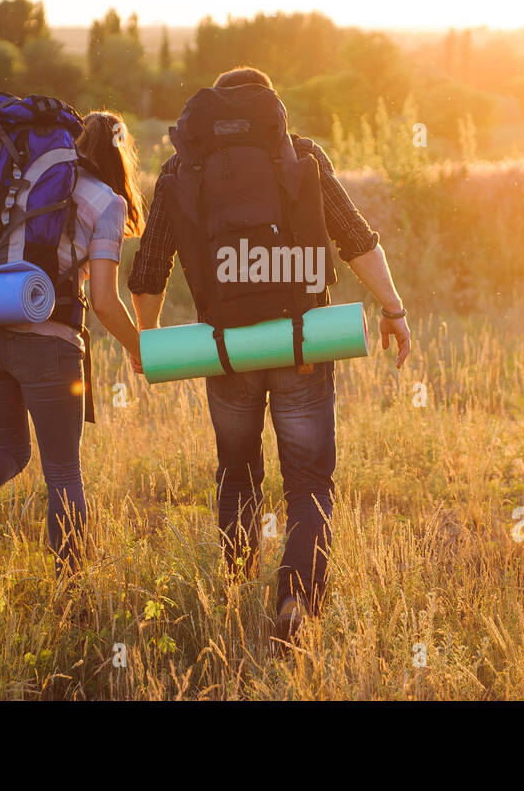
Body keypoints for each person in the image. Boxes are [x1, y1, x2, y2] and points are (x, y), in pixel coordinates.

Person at [128, 67, 411, 642]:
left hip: (226, 350)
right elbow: (356, 237)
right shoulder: (300, 156)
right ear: (270, 112)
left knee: (236, 472)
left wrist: (148, 341)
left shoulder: (181, 170)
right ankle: (295, 602)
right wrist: (394, 309)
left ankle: (232, 593)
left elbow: (148, 269)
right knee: (309, 481)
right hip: (303, 341)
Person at [0, 111, 146, 569]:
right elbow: (104, 301)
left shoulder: (17, 182)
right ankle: (71, 588)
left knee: (8, 448)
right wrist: (138, 346)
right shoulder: (106, 203)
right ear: (118, 153)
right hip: (49, 343)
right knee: (63, 470)